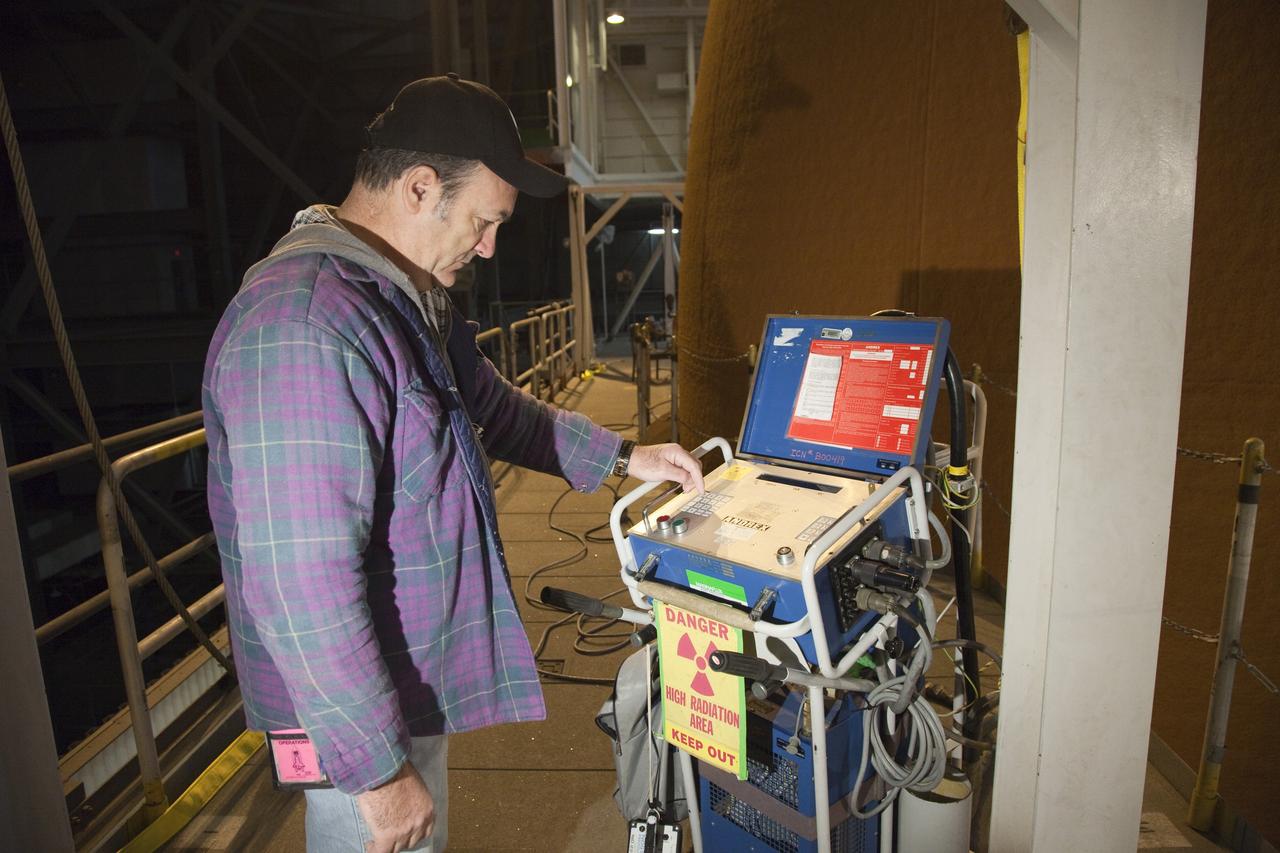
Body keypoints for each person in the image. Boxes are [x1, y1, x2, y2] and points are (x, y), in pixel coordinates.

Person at [202, 74, 703, 853]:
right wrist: (376, 773)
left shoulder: (397, 296)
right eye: (482, 220)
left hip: (400, 686)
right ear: (419, 187)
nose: (489, 245)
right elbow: (301, 583)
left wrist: (627, 456)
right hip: (358, 724)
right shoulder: (305, 326)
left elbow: (493, 406)